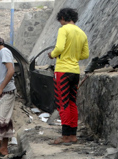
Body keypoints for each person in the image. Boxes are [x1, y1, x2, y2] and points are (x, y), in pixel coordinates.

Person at [48, 8, 89, 145]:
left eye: (60, 20)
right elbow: (85, 55)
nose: (60, 23)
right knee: (72, 103)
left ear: (64, 18)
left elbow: (59, 48)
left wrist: (52, 54)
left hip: (62, 71)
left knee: (62, 103)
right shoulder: (82, 33)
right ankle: (73, 135)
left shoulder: (64, 30)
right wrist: (73, 55)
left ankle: (65, 136)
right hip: (75, 71)